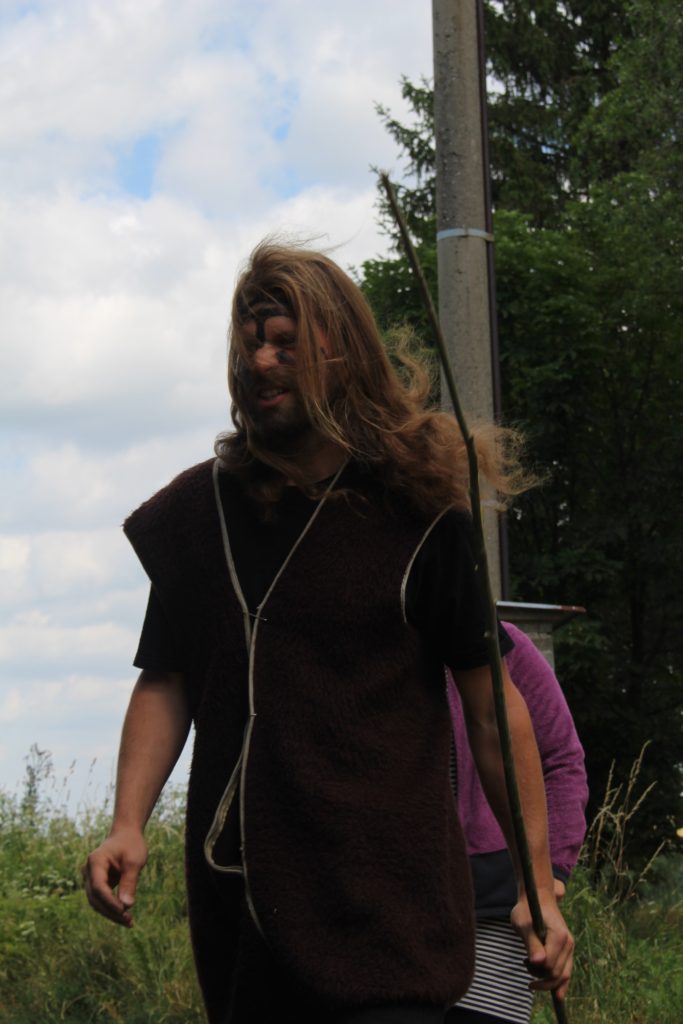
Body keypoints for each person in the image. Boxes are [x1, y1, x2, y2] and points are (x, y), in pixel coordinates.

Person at [83, 241, 573, 1024]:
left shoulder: (418, 515)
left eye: (285, 344)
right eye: (249, 345)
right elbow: (166, 679)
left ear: (340, 353)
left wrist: (536, 887)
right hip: (243, 909)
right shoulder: (197, 516)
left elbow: (491, 710)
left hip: (387, 907)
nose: (259, 363)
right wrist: (126, 824)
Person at [448, 622, 588, 1024]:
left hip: (491, 906)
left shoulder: (501, 645)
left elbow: (562, 760)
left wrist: (549, 876)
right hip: (387, 909)